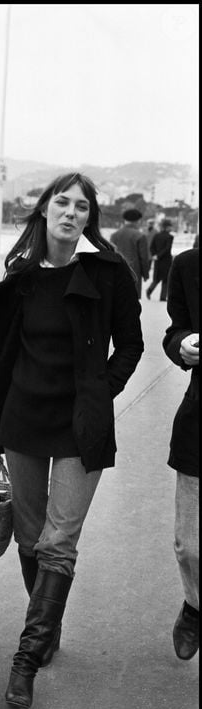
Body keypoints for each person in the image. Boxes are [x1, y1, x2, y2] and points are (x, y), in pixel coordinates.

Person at [0, 172, 144, 709]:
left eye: (81, 206)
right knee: (29, 537)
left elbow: (132, 345)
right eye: (62, 202)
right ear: (44, 211)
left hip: (80, 427)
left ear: (89, 219)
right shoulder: (18, 279)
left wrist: (102, 393)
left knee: (59, 541)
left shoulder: (107, 273)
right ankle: (47, 628)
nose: (70, 213)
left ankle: (25, 659)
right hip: (23, 422)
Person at [163, 247, 199, 659]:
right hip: (198, 423)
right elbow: (175, 332)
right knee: (190, 545)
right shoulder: (188, 265)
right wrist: (183, 344)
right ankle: (195, 604)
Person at [110, 208, 150, 298]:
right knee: (132, 299)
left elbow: (110, 254)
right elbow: (144, 257)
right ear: (138, 221)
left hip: (116, 271)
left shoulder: (114, 235)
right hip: (134, 271)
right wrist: (145, 274)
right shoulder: (140, 236)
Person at [146, 218, 174, 301]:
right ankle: (162, 297)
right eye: (170, 227)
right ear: (167, 227)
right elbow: (167, 248)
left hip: (157, 260)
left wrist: (155, 255)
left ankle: (149, 291)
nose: (171, 228)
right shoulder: (170, 237)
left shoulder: (156, 235)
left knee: (156, 278)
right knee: (166, 279)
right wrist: (159, 255)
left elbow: (152, 247)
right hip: (166, 260)